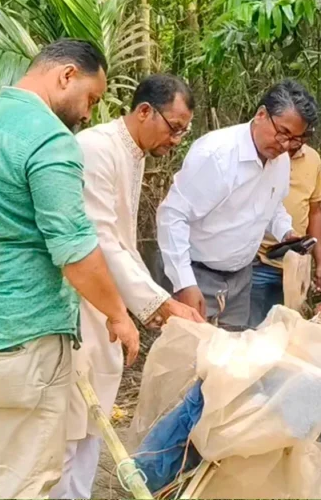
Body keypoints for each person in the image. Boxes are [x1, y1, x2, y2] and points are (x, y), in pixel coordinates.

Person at [0, 39, 140, 499]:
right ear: (66, 75)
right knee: (21, 483)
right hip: (21, 342)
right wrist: (118, 315)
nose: (89, 113)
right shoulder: (50, 140)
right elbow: (76, 253)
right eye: (91, 98)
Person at [52, 74, 206, 499]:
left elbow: (122, 242)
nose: (176, 139)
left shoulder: (132, 153)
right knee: (71, 419)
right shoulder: (97, 148)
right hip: (80, 300)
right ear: (143, 112)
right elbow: (99, 239)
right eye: (173, 127)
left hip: (105, 303)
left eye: (183, 131)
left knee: (92, 420)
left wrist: (156, 305)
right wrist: (157, 303)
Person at [157, 79, 319, 329]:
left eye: (295, 140)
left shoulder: (280, 160)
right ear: (261, 114)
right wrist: (184, 283)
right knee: (188, 358)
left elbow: (274, 205)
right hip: (197, 273)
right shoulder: (216, 155)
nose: (285, 145)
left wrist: (285, 232)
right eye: (283, 133)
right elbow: (172, 216)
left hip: (241, 279)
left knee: (232, 360)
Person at [248, 129, 321, 327]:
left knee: (285, 331)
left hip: (294, 264)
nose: (293, 143)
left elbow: (315, 212)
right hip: (257, 260)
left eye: (301, 137)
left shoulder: (312, 159)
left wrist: (319, 263)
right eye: (289, 135)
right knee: (250, 331)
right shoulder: (262, 154)